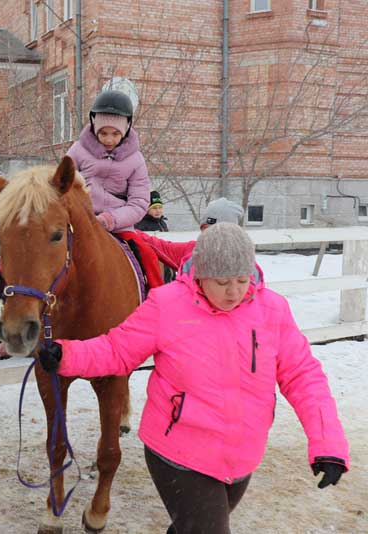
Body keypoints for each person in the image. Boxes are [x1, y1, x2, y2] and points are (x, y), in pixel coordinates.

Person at [39, 223, 349, 534]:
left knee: (192, 527)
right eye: (223, 281)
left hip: (241, 456)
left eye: (243, 280)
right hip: (178, 451)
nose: (234, 291)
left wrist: (328, 443)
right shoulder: (167, 305)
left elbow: (303, 375)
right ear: (200, 274)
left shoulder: (272, 310)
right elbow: (117, 349)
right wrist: (66, 355)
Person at [66, 89, 162, 291]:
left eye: (115, 134)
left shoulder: (136, 160)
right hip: (80, 223)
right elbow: (61, 185)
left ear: (126, 129)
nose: (109, 139)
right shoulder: (77, 150)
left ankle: (155, 300)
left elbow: (139, 202)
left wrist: (110, 219)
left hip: (120, 227)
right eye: (103, 133)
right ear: (94, 127)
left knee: (147, 255)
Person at [138, 197, 244, 273]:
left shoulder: (244, 265)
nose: (208, 236)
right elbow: (162, 247)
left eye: (216, 231)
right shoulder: (192, 250)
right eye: (205, 229)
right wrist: (132, 232)